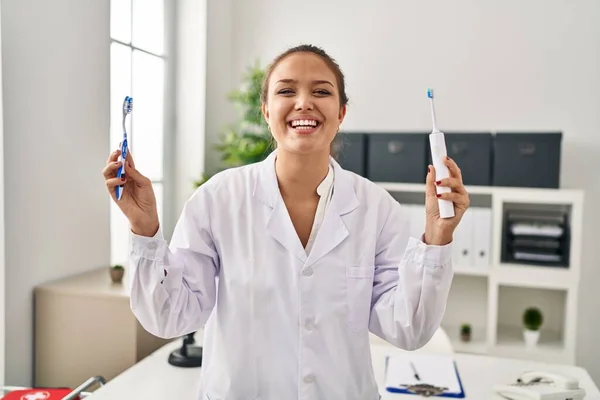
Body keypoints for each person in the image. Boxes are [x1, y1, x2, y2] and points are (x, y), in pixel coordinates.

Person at [102, 44, 470, 400]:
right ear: (266, 110)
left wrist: (437, 239)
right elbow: (170, 318)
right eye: (286, 90)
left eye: (321, 91)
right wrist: (145, 230)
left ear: (341, 113)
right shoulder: (219, 199)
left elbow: (408, 328)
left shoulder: (376, 208)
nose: (303, 102)